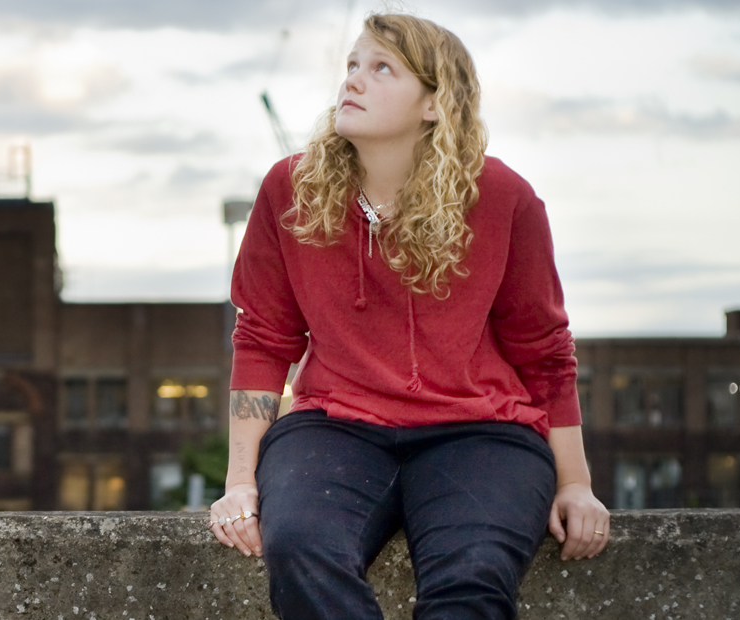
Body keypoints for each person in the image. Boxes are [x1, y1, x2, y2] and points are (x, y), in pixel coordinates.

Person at [208, 13, 610, 620]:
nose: (352, 81)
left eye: (381, 69)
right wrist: (240, 480)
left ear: (433, 103)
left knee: (472, 574)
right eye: (351, 65)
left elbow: (545, 351)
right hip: (334, 425)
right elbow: (264, 339)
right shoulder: (290, 190)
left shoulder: (504, 198)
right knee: (301, 548)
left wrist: (575, 483)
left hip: (482, 431)